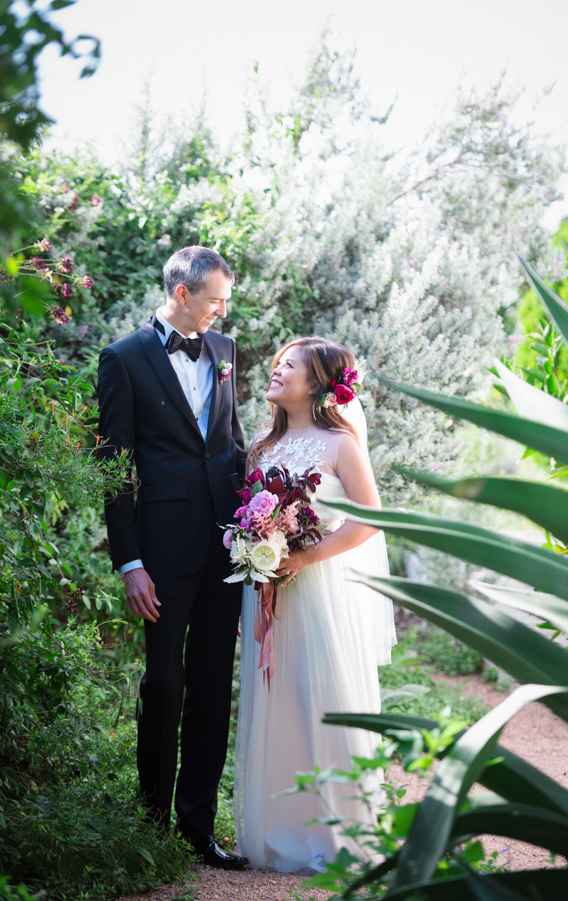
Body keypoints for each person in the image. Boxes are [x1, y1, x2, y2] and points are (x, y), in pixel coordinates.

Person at [97, 245, 248, 870]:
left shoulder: (225, 351)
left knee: (214, 686)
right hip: (161, 554)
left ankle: (197, 829)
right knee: (163, 682)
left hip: (225, 547)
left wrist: (260, 524)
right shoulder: (123, 359)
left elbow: (232, 441)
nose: (220, 310)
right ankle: (150, 825)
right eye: (213, 299)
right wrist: (130, 563)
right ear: (180, 293)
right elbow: (111, 468)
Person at [234, 336, 397, 872]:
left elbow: (370, 518)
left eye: (289, 366)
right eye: (278, 364)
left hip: (320, 589)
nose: (276, 371)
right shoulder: (260, 444)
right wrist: (256, 551)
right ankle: (279, 832)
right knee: (275, 701)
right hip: (268, 592)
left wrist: (307, 557)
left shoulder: (339, 445)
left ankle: (340, 835)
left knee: (320, 698)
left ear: (319, 383)